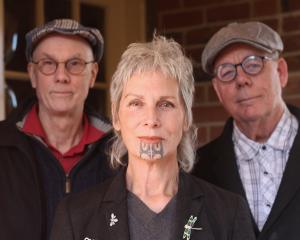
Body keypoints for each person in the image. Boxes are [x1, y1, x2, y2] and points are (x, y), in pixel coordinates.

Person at [50, 35, 255, 240]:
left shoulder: (229, 213)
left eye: (166, 104)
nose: (151, 119)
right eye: (136, 103)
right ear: (116, 116)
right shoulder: (75, 216)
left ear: (186, 117)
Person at [0, 19, 114, 240]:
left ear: (92, 75)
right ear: (33, 74)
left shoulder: (122, 152)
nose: (61, 76)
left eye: (75, 63)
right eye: (48, 63)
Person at [192, 21, 300, 240]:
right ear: (217, 90)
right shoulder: (197, 171)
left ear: (280, 72)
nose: (241, 79)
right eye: (227, 72)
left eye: (253, 64)